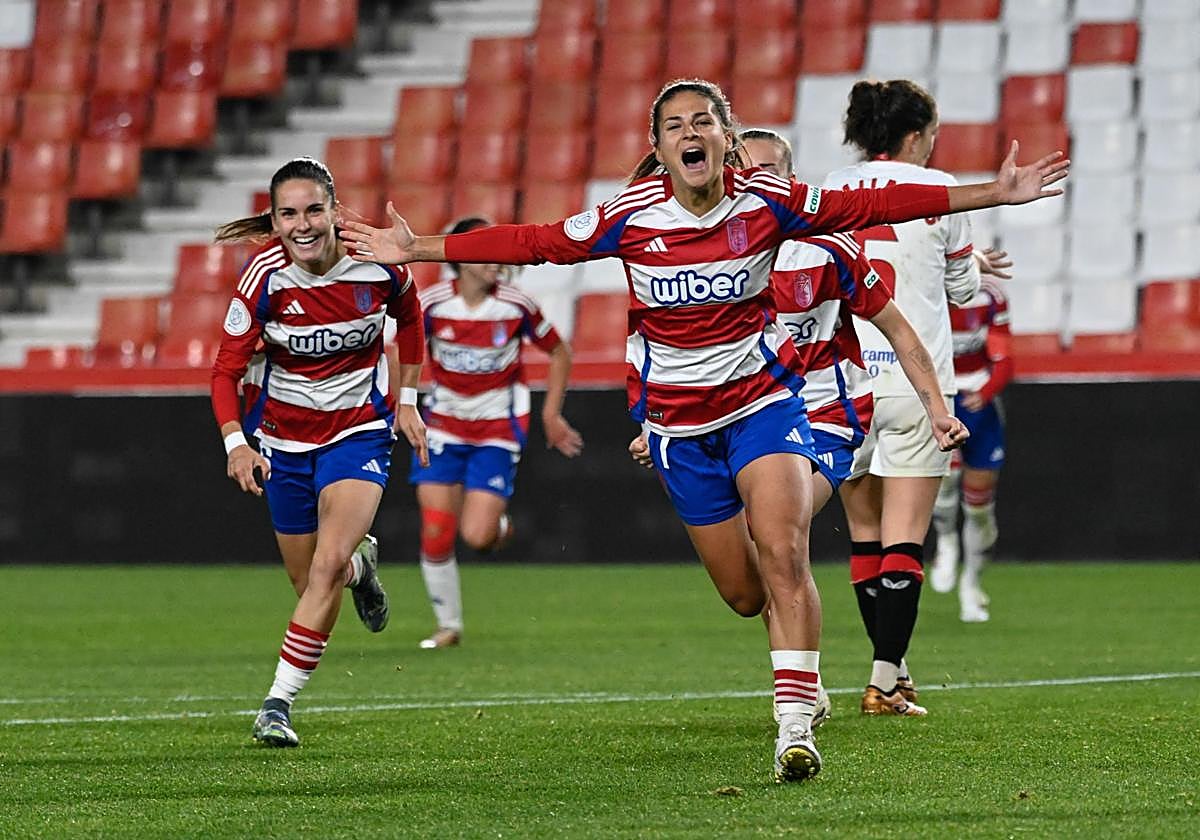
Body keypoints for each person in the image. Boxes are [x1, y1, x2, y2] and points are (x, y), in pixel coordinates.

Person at [338, 78, 1067, 781]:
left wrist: (992, 192)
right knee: (746, 593)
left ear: (726, 138)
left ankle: (794, 723)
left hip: (765, 406)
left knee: (784, 551)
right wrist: (420, 248)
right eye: (674, 125)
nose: (690, 133)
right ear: (658, 146)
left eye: (702, 122)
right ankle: (801, 676)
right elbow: (538, 242)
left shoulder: (771, 202)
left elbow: (876, 197)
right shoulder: (630, 216)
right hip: (681, 432)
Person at [210, 156, 429, 747]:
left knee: (325, 567)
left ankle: (276, 703)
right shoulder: (264, 278)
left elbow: (410, 318)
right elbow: (224, 371)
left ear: (334, 209)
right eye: (288, 214)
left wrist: (406, 399)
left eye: (313, 209)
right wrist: (236, 444)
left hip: (358, 433)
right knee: (314, 580)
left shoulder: (376, 263)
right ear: (274, 220)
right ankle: (365, 568)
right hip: (283, 442)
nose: (302, 225)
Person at [822, 79, 1015, 716]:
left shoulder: (824, 192)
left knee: (865, 534)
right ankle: (883, 680)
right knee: (905, 536)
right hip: (917, 381)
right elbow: (961, 292)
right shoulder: (940, 192)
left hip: (844, 383)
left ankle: (894, 671)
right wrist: (971, 266)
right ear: (914, 135)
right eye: (930, 133)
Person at [411, 215, 583, 650]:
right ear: (462, 257)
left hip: (496, 431)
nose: (497, 261)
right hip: (442, 427)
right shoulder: (430, 304)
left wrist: (551, 414)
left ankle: (497, 529)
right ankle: (448, 626)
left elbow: (559, 351)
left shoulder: (515, 305)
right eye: (486, 252)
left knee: (477, 536)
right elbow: (404, 352)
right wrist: (404, 401)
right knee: (435, 527)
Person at [929, 270, 1013, 622]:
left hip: (977, 402)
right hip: (940, 397)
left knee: (979, 507)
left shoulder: (989, 294)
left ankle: (972, 583)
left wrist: (987, 391)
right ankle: (945, 539)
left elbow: (1004, 354)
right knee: (945, 482)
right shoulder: (925, 288)